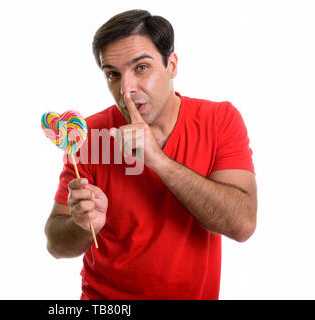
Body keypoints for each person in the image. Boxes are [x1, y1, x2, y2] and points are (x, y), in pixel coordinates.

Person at [44, 9, 257, 299]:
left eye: (141, 68)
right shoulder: (89, 135)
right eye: (113, 75)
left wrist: (158, 160)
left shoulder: (219, 120)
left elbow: (242, 225)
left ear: (172, 65)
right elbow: (55, 244)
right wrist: (82, 225)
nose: (127, 89)